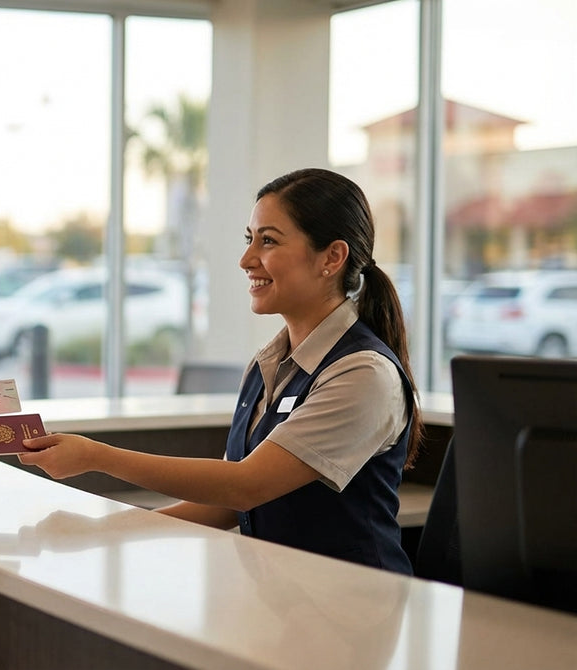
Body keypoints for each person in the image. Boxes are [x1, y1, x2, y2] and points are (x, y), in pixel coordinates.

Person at [21, 167, 423, 574]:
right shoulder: (270, 362)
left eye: (268, 241)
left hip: (355, 609)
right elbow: (226, 502)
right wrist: (105, 531)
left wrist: (96, 456)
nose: (247, 259)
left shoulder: (364, 374)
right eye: (250, 239)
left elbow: (245, 486)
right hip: (282, 602)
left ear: (332, 257)